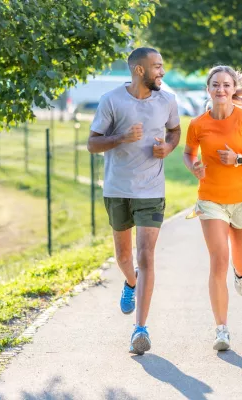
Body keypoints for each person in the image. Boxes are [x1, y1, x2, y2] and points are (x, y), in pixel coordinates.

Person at [87, 47, 181, 355]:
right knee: (125, 258)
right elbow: (92, 143)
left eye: (162, 66)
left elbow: (175, 131)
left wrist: (167, 148)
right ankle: (130, 282)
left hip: (152, 189)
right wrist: (120, 138)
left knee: (146, 256)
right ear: (139, 70)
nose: (161, 72)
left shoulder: (167, 100)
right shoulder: (111, 100)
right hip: (118, 188)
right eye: (156, 66)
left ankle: (140, 329)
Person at [183, 66, 242, 351]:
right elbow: (189, 154)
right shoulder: (198, 124)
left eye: (226, 85)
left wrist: (238, 159)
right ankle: (222, 329)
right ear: (208, 89)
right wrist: (194, 168)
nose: (221, 90)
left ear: (234, 89)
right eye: (215, 84)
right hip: (210, 200)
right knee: (218, 260)